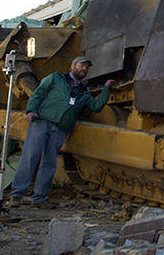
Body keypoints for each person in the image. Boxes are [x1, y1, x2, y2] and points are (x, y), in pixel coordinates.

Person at [8, 56, 113, 208]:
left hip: (60, 129)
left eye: (86, 67)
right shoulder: (56, 78)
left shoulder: (84, 94)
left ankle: (39, 198)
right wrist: (31, 110)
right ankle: (16, 195)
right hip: (42, 122)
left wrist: (106, 88)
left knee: (49, 163)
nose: (84, 69)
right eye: (81, 66)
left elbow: (96, 107)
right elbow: (39, 93)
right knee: (30, 157)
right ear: (72, 66)